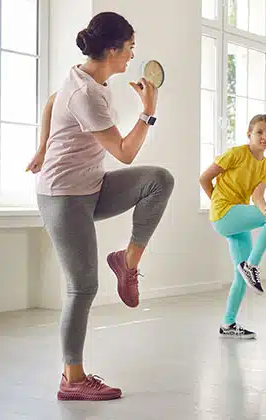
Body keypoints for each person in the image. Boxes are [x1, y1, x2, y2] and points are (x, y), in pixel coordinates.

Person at [25, 11, 174, 400]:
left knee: (159, 180)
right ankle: (72, 378)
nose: (131, 57)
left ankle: (128, 261)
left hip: (92, 185)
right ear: (112, 49)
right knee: (83, 287)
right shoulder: (87, 93)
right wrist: (149, 110)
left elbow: (53, 102)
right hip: (64, 196)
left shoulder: (89, 79)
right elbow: (124, 153)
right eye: (129, 49)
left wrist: (42, 145)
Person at [199, 114, 266, 340]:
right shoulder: (236, 154)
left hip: (237, 216)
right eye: (260, 132)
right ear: (249, 135)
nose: (265, 137)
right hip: (225, 213)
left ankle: (228, 324)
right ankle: (252, 265)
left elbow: (258, 195)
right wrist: (217, 203)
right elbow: (204, 178)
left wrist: (265, 208)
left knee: (240, 276)